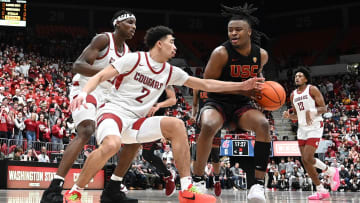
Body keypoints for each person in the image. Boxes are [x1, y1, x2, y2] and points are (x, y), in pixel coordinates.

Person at [66, 25, 263, 203]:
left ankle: (187, 189)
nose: (175, 46)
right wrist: (84, 93)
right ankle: (74, 192)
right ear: (159, 44)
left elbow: (204, 84)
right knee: (112, 145)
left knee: (176, 125)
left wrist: (241, 85)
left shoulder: (170, 71)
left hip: (136, 122)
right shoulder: (135, 59)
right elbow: (100, 75)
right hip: (113, 114)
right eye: (171, 42)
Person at [41, 10, 138, 203]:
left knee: (133, 137)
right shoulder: (103, 39)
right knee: (86, 130)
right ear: (117, 24)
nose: (134, 26)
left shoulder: (128, 53)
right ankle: (53, 190)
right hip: (86, 87)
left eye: (135, 23)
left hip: (107, 96)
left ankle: (113, 189)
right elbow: (78, 65)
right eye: (129, 22)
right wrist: (109, 72)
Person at [191, 3, 271, 202]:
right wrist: (242, 87)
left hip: (242, 106)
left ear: (249, 32)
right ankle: (198, 180)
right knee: (208, 125)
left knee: (263, 125)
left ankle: (257, 185)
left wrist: (260, 92)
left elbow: (257, 76)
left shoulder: (261, 55)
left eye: (238, 30)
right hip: (217, 102)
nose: (233, 33)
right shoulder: (221, 53)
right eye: (230, 30)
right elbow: (206, 84)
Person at [283, 68, 340, 200]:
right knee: (305, 160)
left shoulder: (312, 89)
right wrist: (289, 116)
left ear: (306, 79)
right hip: (302, 128)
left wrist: (312, 111)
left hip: (315, 126)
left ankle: (331, 171)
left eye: (300, 76)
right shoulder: (293, 95)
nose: (297, 78)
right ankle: (321, 189)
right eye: (296, 76)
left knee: (308, 157)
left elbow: (323, 108)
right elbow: (296, 115)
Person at [192, 89, 222, 196]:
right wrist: (193, 115)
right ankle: (198, 180)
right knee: (198, 152)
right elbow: (195, 104)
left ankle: (217, 180)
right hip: (200, 120)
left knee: (215, 153)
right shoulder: (197, 86)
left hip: (215, 119)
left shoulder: (218, 84)